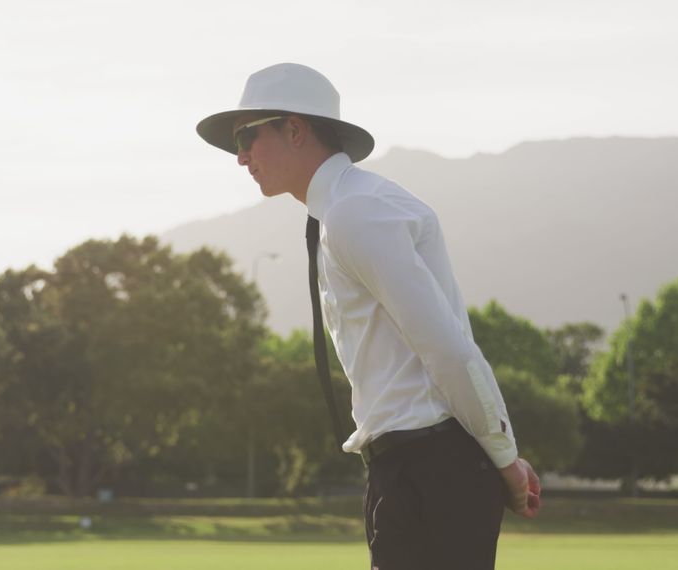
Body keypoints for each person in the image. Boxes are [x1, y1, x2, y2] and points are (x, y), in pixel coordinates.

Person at [196, 63, 541, 569]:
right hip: (406, 468)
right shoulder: (347, 208)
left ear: (295, 129)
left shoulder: (355, 212)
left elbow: (445, 346)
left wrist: (505, 458)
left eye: (247, 137)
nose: (241, 157)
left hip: (431, 467)